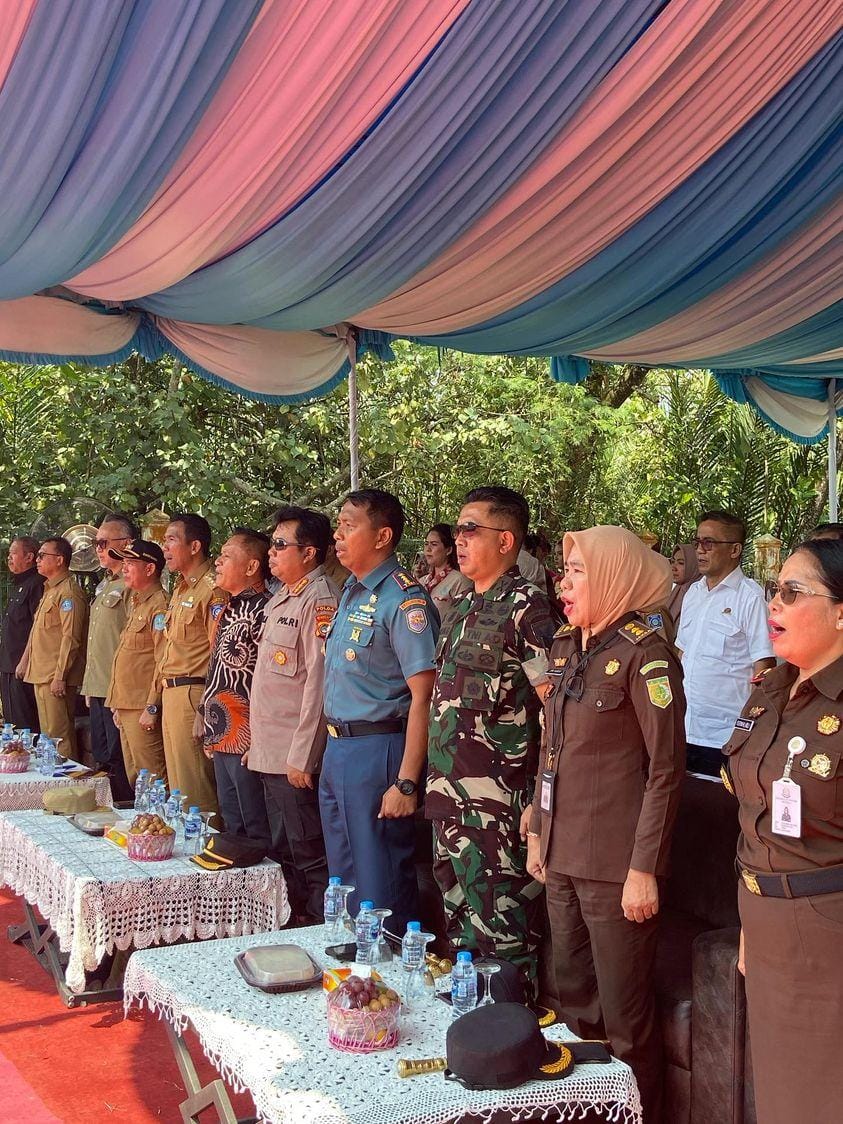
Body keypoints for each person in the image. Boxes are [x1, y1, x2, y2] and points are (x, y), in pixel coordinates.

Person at [526, 526, 685, 1124]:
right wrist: (539, 826)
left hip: (617, 867)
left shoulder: (648, 656)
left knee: (625, 1021)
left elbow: (666, 773)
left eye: (577, 572)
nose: (564, 583)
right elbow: (552, 749)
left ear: (616, 578)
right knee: (573, 1005)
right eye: (564, 571)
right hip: (563, 855)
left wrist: (644, 869)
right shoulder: (571, 648)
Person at [723, 538, 843, 1124]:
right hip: (765, 922)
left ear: (841, 611)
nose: (774, 602)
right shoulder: (772, 686)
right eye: (774, 589)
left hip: (827, 932)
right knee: (779, 1097)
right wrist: (751, 913)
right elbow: (752, 813)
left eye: (793, 593)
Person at [426, 487, 559, 992]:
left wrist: (540, 803)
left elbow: (558, 711)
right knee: (458, 925)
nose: (458, 539)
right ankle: (472, 1034)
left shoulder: (531, 611)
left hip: (499, 807)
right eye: (456, 529)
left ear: (505, 541)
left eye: (469, 530)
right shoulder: (458, 606)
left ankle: (511, 1040)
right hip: (448, 796)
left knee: (503, 933)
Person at [321, 488, 438, 933]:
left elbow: (424, 696)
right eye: (339, 524)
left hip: (380, 749)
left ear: (383, 535)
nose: (339, 533)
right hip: (338, 749)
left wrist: (406, 781)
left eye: (350, 525)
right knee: (344, 875)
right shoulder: (350, 591)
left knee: (380, 878)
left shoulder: (404, 600)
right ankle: (354, 976)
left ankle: (390, 978)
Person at [248, 507, 340, 923]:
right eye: (272, 543)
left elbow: (317, 685)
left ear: (309, 553)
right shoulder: (283, 597)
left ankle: (317, 925)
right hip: (269, 750)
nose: (272, 551)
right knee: (282, 848)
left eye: (281, 545)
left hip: (293, 757)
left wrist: (303, 754)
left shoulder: (319, 600)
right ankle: (292, 918)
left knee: (308, 850)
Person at [675, 510, 774, 776]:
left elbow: (763, 669)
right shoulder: (692, 593)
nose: (700, 550)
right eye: (697, 542)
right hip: (681, 726)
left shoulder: (750, 598)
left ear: (734, 550)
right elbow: (681, 653)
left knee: (717, 812)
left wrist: (748, 730)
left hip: (724, 734)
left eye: (709, 543)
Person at [198, 529, 271, 844]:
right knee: (231, 822)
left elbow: (266, 680)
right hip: (221, 730)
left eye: (227, 556)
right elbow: (217, 666)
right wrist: (205, 715)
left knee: (255, 825)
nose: (217, 561)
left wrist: (259, 738)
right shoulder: (228, 607)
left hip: (247, 735)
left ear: (252, 566)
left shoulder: (266, 609)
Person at [157, 513, 223, 817]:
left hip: (192, 693)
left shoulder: (212, 588)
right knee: (178, 787)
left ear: (195, 546)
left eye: (172, 539)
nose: (165, 547)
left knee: (196, 788)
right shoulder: (181, 588)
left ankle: (205, 851)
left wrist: (204, 707)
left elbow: (217, 652)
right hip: (171, 691)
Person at [80, 514, 136, 801]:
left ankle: (124, 814)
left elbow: (133, 643)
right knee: (101, 755)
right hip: (98, 684)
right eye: (95, 543)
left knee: (119, 759)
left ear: (126, 544)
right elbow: (97, 641)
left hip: (118, 689)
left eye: (103, 542)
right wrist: (89, 685)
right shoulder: (104, 585)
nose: (98, 549)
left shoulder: (131, 585)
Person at [17, 537, 88, 756]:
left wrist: (60, 675)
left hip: (54, 676)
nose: (37, 560)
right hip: (40, 672)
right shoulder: (49, 590)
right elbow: (37, 632)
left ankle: (66, 786)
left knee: (59, 736)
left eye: (42, 555)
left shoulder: (69, 592)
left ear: (59, 560)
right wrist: (24, 661)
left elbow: (71, 638)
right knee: (48, 735)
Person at [106, 539, 168, 785]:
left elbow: (161, 660)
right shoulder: (138, 602)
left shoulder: (160, 605)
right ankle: (144, 822)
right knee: (136, 777)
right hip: (127, 703)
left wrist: (151, 707)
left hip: (142, 705)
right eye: (124, 563)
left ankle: (160, 823)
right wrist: (117, 702)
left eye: (131, 563)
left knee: (152, 777)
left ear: (150, 569)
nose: (124, 568)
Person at [0, 536, 44, 730]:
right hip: (8, 665)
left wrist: (26, 660)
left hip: (23, 667)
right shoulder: (18, 585)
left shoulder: (37, 584)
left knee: (26, 726)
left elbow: (38, 628)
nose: (9, 558)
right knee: (12, 725)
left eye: (14, 553)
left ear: (29, 557)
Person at [419, 523, 470, 613]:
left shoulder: (459, 581)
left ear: (449, 550)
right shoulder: (422, 581)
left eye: (434, 544)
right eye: (426, 544)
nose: (428, 549)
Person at [665, 543, 700, 625]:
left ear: (693, 565)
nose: (673, 567)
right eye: (673, 561)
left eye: (681, 563)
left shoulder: (698, 595)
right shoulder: (677, 589)